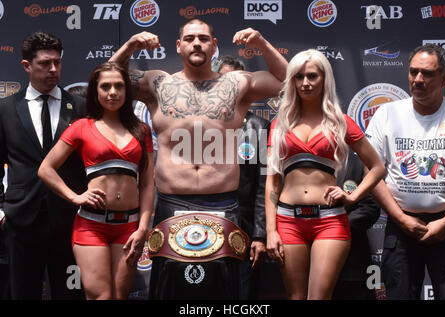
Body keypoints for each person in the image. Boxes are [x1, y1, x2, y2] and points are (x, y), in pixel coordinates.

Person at [109, 18, 287, 299]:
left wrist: (262, 45)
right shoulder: (157, 84)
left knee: (223, 293)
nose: (196, 43)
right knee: (172, 291)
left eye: (203, 38)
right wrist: (130, 46)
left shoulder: (236, 85)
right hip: (172, 203)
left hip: (224, 203)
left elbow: (288, 82)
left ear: (214, 46)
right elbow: (108, 80)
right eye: (190, 38)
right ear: (178, 46)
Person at [265, 49, 385, 300]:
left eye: (312, 76)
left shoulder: (341, 122)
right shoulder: (279, 123)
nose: (305, 83)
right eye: (299, 77)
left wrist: (353, 197)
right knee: (296, 297)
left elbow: (377, 167)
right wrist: (270, 231)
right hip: (288, 220)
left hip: (330, 220)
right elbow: (272, 181)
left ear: (324, 79)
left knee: (319, 297)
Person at [38, 62, 155, 300]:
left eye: (119, 86)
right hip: (91, 225)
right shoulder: (82, 127)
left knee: (120, 295)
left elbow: (147, 183)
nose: (112, 92)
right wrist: (74, 196)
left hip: (129, 226)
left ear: (127, 91)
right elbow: (45, 169)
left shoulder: (141, 130)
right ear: (96, 91)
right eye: (106, 86)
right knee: (100, 296)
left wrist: (143, 228)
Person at [0, 31, 86, 299]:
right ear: (26, 66)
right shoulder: (5, 110)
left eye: (57, 63)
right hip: (21, 222)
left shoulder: (81, 107)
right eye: (44, 63)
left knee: (71, 296)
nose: (53, 69)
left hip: (70, 221)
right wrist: (1, 214)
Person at [365, 44, 445, 300]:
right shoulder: (387, 113)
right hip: (400, 226)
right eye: (413, 72)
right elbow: (372, 171)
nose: (418, 79)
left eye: (427, 73)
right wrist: (401, 219)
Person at [212, 55, 269, 299]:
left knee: (243, 293)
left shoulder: (258, 127)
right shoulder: (197, 123)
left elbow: (263, 184)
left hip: (244, 224)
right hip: (207, 218)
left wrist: (259, 234)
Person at [332, 149, 380, 300]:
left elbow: (370, 206)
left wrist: (335, 227)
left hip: (352, 264)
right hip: (310, 265)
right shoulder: (302, 163)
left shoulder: (358, 162)